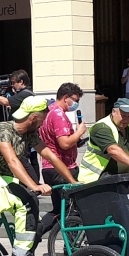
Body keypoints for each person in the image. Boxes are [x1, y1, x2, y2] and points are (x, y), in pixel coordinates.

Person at [0, 96, 76, 256]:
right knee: (27, 202)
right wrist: (35, 186)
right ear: (34, 118)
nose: (45, 120)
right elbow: (13, 162)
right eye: (44, 116)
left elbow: (50, 156)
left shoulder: (30, 134)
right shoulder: (3, 130)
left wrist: (73, 181)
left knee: (35, 221)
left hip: (8, 181)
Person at [38, 82, 86, 232]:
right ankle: (71, 251)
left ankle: (33, 236)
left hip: (49, 168)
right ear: (66, 98)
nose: (76, 104)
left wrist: (75, 139)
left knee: (59, 210)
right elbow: (64, 143)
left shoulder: (48, 111)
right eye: (75, 100)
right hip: (62, 168)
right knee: (72, 211)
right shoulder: (58, 114)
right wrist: (79, 132)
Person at [0, 70, 38, 176]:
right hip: (29, 130)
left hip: (23, 132)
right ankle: (33, 183)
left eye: (13, 82)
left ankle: (33, 183)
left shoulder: (24, 94)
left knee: (22, 159)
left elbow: (5, 101)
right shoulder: (28, 93)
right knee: (31, 159)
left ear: (21, 82)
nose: (12, 85)